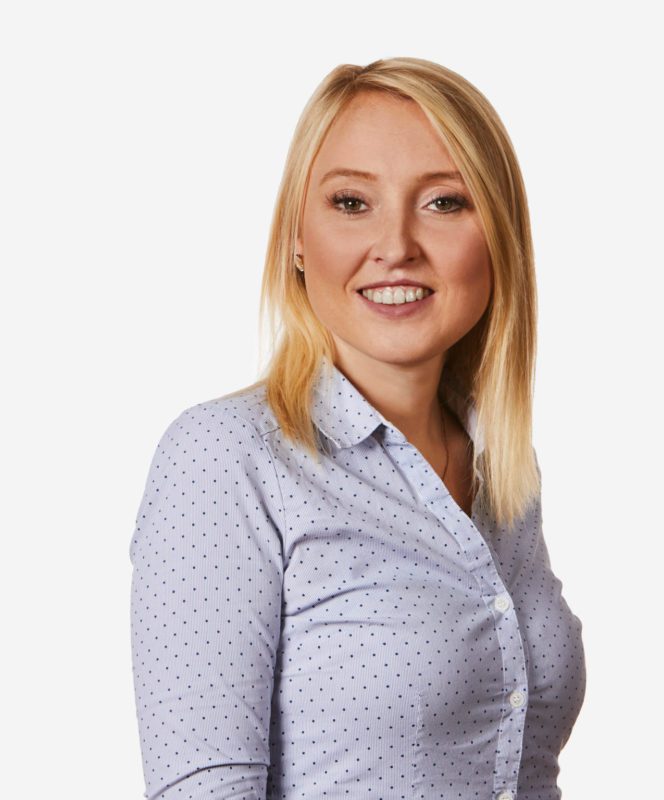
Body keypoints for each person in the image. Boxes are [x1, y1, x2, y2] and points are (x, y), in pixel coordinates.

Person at [129, 56, 586, 800]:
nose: (396, 245)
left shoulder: (503, 469)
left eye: (443, 202)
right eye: (351, 202)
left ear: (499, 236)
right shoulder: (227, 459)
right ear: (297, 238)